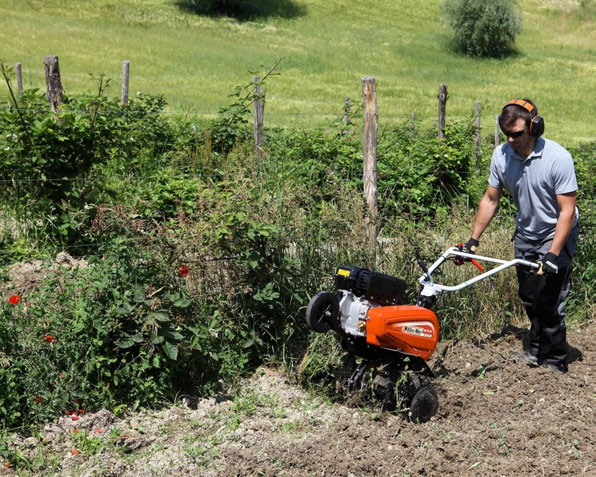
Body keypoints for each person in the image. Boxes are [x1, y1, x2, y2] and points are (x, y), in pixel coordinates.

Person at [461, 98, 579, 374]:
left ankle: (555, 360)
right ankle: (536, 351)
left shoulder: (558, 159)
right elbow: (491, 199)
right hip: (526, 233)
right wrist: (473, 240)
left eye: (518, 133)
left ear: (535, 128)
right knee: (529, 296)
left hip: (556, 233)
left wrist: (552, 253)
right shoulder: (501, 156)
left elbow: (567, 211)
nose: (512, 139)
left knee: (548, 299)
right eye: (507, 134)